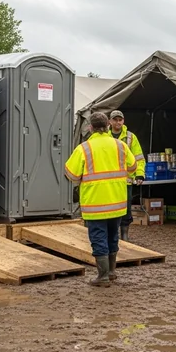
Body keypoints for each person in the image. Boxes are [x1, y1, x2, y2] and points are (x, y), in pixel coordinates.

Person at [65, 112, 136, 287]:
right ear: (108, 126)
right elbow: (133, 166)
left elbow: (71, 174)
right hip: (117, 202)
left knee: (98, 237)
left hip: (95, 204)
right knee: (113, 236)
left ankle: (102, 276)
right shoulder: (120, 145)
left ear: (91, 128)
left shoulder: (84, 148)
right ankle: (111, 272)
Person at [108, 110, 146, 242]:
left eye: (120, 120)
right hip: (108, 181)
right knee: (110, 207)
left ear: (123, 121)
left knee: (126, 208)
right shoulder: (104, 136)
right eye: (115, 120)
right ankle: (112, 235)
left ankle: (124, 235)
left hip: (125, 181)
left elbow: (139, 158)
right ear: (110, 121)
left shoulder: (130, 137)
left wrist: (140, 174)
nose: (118, 122)